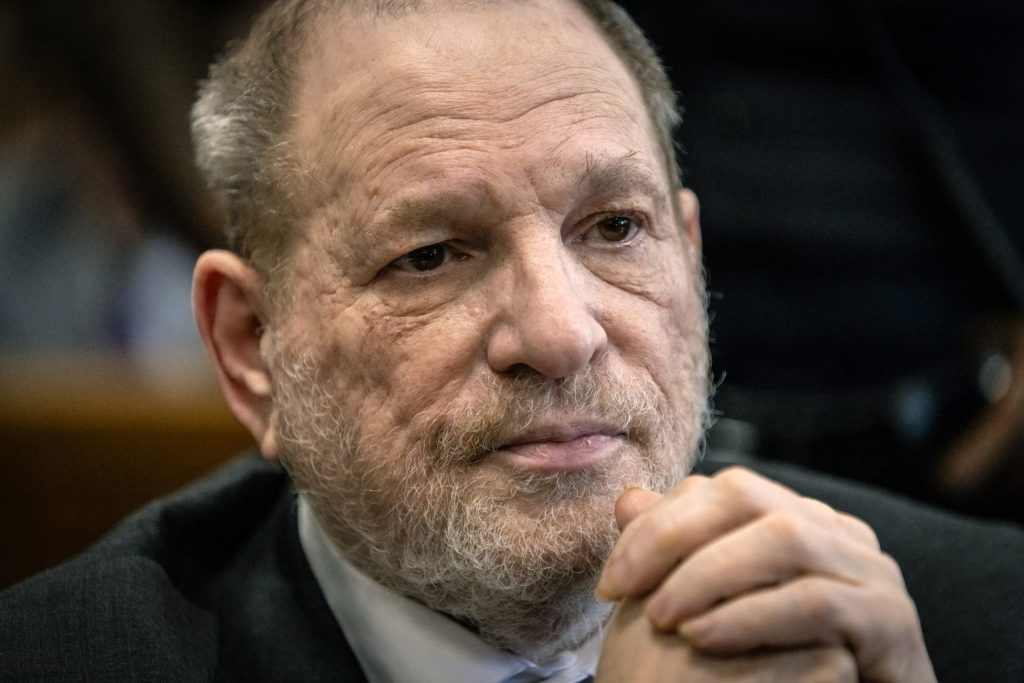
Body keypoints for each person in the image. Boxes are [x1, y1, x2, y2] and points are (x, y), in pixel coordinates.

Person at [1, 0, 1021, 680]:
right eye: (431, 255)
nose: (563, 332)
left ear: (690, 254)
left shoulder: (984, 621)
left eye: (614, 228)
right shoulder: (68, 658)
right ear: (250, 345)